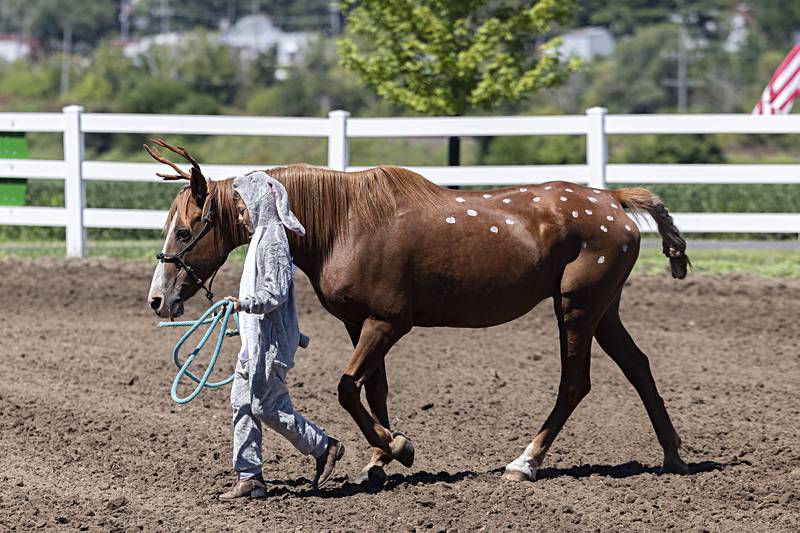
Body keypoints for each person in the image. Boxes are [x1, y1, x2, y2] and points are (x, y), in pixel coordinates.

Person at [219, 171, 344, 500]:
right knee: (241, 404)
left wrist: (244, 304)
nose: (240, 215)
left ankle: (324, 446)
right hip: (256, 342)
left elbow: (274, 293)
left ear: (258, 205)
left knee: (265, 405)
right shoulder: (262, 236)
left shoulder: (273, 239)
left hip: (269, 346)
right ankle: (250, 477)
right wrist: (242, 320)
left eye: (242, 208)